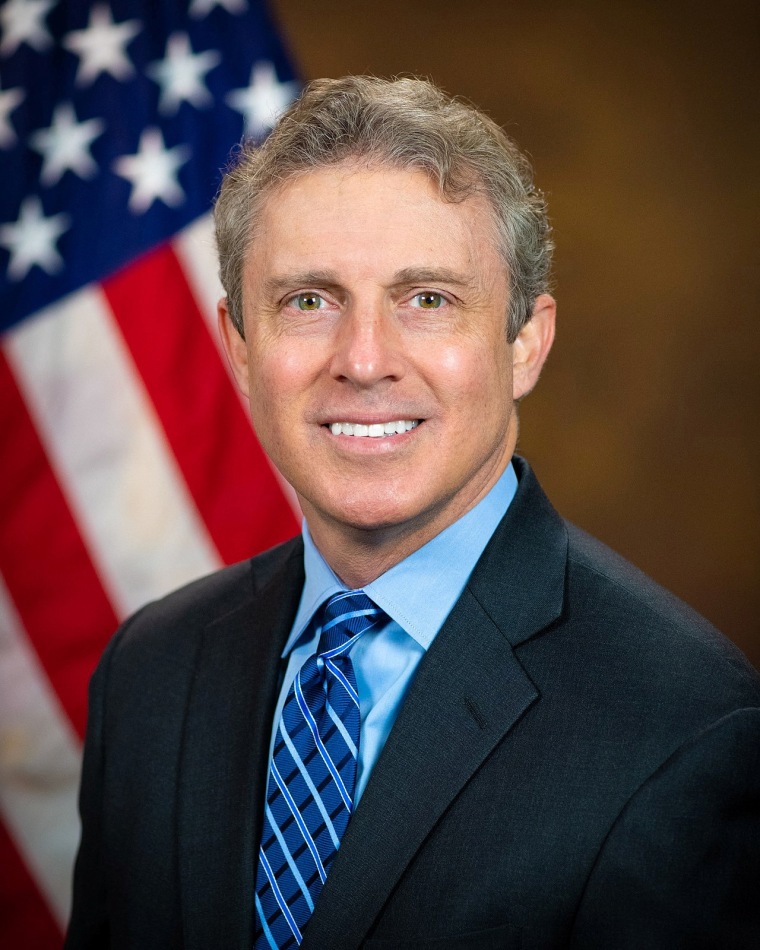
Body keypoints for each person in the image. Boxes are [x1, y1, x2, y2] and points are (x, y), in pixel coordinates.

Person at [66, 76, 760, 950]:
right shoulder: (151, 673)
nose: (363, 360)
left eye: (427, 299)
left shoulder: (683, 724)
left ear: (524, 343)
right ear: (241, 347)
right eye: (308, 301)